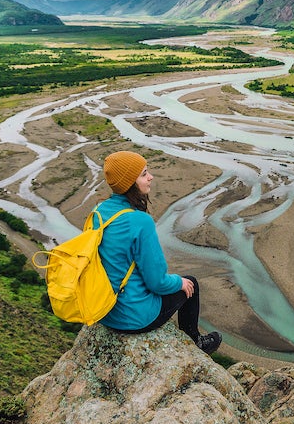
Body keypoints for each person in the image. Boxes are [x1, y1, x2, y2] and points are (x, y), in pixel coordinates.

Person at [94, 150, 221, 354]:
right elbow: (157, 282)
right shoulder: (140, 221)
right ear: (129, 182)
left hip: (104, 311)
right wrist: (179, 282)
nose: (150, 177)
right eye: (144, 174)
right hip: (134, 318)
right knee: (191, 283)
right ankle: (196, 342)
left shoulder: (99, 212)